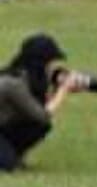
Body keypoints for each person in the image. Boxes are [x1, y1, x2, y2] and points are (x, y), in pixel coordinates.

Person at [0, 34, 83, 171]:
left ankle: (14, 156)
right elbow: (43, 114)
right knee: (8, 167)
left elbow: (36, 112)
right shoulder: (13, 84)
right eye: (49, 64)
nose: (50, 69)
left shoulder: (24, 77)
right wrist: (63, 90)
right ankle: (10, 158)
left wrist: (58, 87)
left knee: (38, 125)